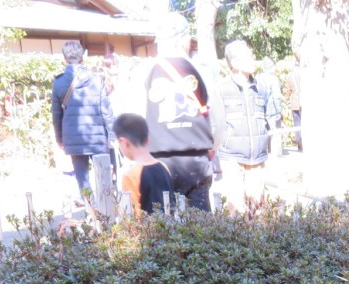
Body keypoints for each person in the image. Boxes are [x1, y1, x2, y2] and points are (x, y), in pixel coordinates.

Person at [120, 13, 223, 212]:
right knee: (199, 224)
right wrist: (213, 146)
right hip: (196, 159)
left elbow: (132, 118)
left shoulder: (143, 71)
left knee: (160, 223)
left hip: (156, 160)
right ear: (185, 38)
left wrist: (136, 155)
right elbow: (216, 118)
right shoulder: (201, 70)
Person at [216, 40, 280, 214]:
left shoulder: (261, 87)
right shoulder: (221, 89)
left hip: (258, 158)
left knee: (257, 211)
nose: (253, 59)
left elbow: (268, 118)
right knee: (235, 212)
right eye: (248, 56)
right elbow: (216, 123)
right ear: (234, 63)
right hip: (232, 157)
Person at [51, 41, 114, 198]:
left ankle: (89, 209)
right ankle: (107, 210)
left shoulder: (58, 82)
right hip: (97, 137)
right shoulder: (97, 80)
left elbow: (56, 115)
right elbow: (106, 111)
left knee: (82, 180)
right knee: (104, 179)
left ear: (65, 58)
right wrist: (112, 135)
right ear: (83, 56)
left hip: (74, 137)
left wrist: (59, 139)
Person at [113, 113, 173, 216]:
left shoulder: (131, 176)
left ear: (124, 142)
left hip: (146, 226)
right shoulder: (164, 166)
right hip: (170, 225)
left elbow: (132, 217)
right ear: (148, 139)